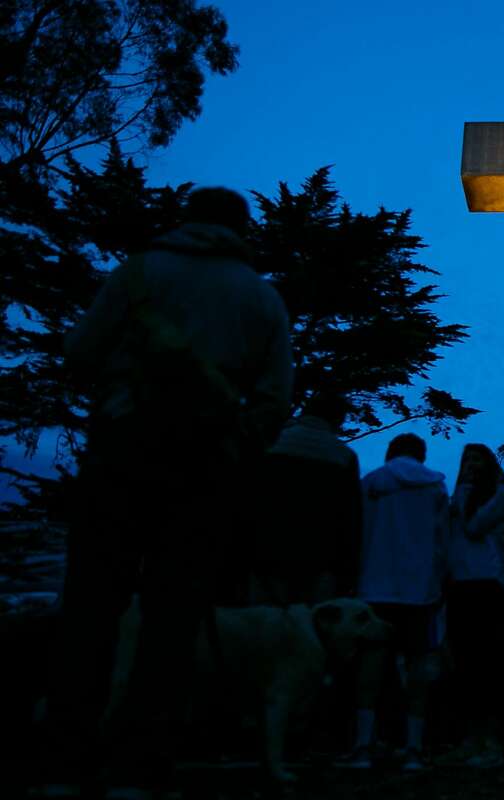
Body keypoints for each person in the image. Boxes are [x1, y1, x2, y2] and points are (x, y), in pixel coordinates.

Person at [39, 188, 293, 797]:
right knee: (173, 618)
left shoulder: (138, 275)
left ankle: (66, 763)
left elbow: (78, 351)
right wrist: (235, 443)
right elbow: (273, 399)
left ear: (187, 220)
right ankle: (142, 763)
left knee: (92, 609)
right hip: (204, 471)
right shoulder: (261, 297)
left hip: (121, 456)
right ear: (242, 228)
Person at [338, 433, 449, 772]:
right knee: (417, 668)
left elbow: (355, 532)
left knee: (371, 665)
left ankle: (363, 744)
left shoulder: (373, 482)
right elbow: (441, 540)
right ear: (422, 455)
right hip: (420, 591)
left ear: (390, 452)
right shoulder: (435, 487)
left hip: (375, 586)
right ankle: (413, 746)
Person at [438, 444, 504, 769]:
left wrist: (465, 491)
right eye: (465, 460)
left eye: (476, 460)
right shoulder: (460, 495)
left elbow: (472, 527)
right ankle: (469, 740)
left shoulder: (500, 493)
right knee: (465, 666)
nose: (470, 465)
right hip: (461, 585)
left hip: (487, 585)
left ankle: (492, 742)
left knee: (486, 666)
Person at [253, 392, 361, 606]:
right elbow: (350, 519)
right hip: (318, 559)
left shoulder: (274, 443)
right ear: (338, 419)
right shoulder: (343, 456)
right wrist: (347, 571)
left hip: (265, 551)